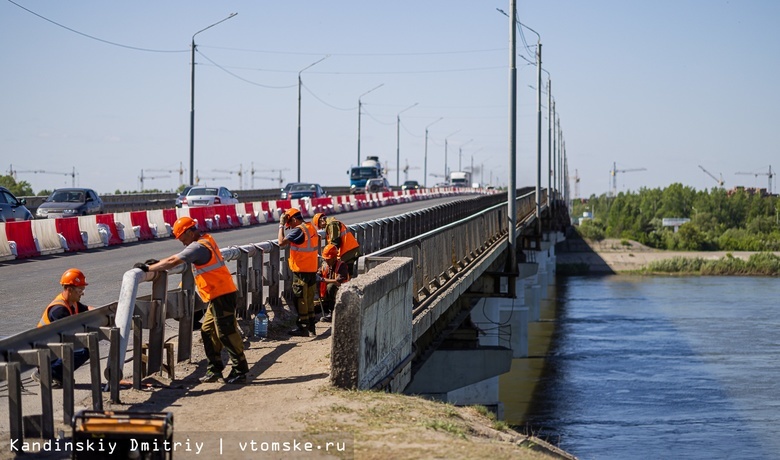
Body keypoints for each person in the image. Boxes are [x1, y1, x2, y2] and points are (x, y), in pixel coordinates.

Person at [134, 216, 249, 384]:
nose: (183, 243)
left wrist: (148, 268)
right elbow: (177, 257)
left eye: (183, 238)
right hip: (217, 295)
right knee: (208, 331)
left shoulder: (198, 246)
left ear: (189, 232)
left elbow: (175, 260)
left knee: (226, 333)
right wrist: (159, 263)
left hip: (222, 295)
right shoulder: (204, 241)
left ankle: (240, 369)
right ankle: (214, 370)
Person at [33, 268, 94, 388]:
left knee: (84, 347)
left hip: (54, 348)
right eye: (80, 290)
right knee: (84, 349)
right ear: (69, 289)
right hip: (45, 352)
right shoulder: (58, 309)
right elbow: (71, 335)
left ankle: (56, 372)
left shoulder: (72, 302)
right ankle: (48, 372)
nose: (82, 293)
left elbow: (88, 309)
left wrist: (105, 312)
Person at [278, 208, 320, 336]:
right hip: (312, 268)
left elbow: (281, 242)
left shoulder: (299, 230)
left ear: (294, 219)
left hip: (301, 270)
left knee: (300, 299)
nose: (289, 227)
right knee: (309, 299)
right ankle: (311, 327)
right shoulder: (310, 227)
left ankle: (303, 328)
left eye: (289, 223)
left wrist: (280, 226)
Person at [312, 213, 361, 277]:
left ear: (322, 221)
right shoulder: (332, 224)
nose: (322, 228)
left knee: (344, 272)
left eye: (320, 225)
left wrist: (328, 255)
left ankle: (347, 283)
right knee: (347, 271)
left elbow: (335, 241)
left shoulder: (332, 224)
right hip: (350, 250)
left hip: (348, 251)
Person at [318, 244, 350, 322]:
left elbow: (338, 281)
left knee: (330, 286)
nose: (326, 261)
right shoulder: (325, 266)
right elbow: (319, 272)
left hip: (342, 292)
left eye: (328, 259)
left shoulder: (341, 265)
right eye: (326, 259)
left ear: (334, 258)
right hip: (328, 295)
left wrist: (323, 279)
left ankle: (331, 313)